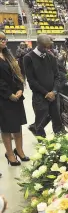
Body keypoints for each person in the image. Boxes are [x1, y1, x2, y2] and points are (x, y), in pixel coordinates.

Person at [24, 35, 63, 138]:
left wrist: (54, 91)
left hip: (54, 95)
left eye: (49, 47)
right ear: (38, 44)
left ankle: (61, 144)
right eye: (44, 47)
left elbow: (57, 76)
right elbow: (31, 81)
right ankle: (43, 147)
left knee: (57, 121)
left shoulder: (51, 57)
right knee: (40, 122)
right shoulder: (28, 58)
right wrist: (46, 93)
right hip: (40, 96)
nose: (47, 49)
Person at [0, 32, 29, 166]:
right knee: (6, 128)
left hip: (16, 97)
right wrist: (8, 94)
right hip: (3, 98)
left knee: (17, 126)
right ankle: (10, 153)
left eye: (4, 39)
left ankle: (20, 150)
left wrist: (19, 89)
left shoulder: (8, 55)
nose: (3, 41)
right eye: (0, 39)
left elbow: (18, 74)